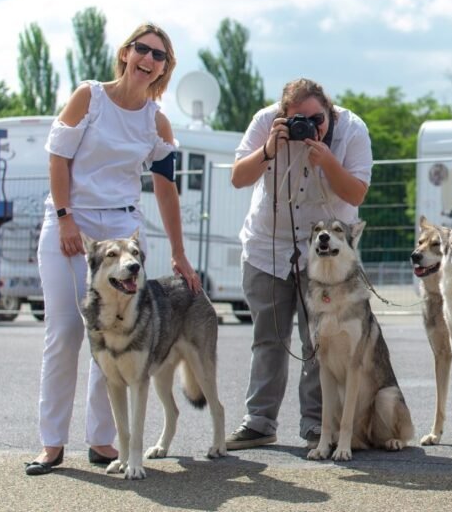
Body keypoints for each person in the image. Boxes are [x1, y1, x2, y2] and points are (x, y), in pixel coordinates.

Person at [25, 23, 202, 475]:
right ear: (125, 53)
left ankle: (103, 440)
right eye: (141, 49)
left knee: (113, 337)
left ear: (165, 67)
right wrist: (65, 217)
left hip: (122, 229)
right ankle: (51, 443)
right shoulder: (90, 96)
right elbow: (58, 157)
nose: (148, 59)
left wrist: (179, 254)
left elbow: (165, 190)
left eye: (158, 55)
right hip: (73, 221)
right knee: (66, 331)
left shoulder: (156, 121)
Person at [226, 78, 373, 450]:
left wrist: (327, 159)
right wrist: (267, 151)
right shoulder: (265, 122)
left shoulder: (352, 130)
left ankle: (316, 424)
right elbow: (238, 177)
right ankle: (259, 422)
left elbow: (356, 192)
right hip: (267, 248)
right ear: (282, 116)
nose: (309, 126)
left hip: (326, 259)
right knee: (268, 338)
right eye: (298, 120)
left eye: (317, 119)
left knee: (318, 340)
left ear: (330, 110)